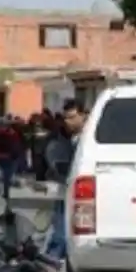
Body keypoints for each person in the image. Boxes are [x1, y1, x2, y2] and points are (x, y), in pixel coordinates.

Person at [45, 99, 86, 260]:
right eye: (66, 118)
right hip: (64, 189)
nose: (68, 122)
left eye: (72, 117)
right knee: (60, 227)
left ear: (83, 115)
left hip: (81, 191)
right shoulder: (62, 136)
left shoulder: (89, 139)